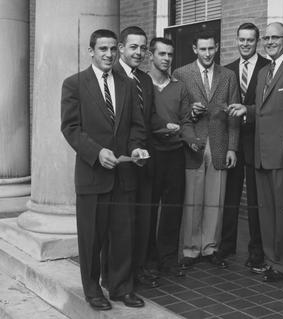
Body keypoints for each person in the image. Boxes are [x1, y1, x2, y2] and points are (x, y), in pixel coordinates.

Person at [61, 29, 148, 310]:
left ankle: (121, 287)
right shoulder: (74, 84)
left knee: (123, 235)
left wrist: (135, 148)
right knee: (92, 238)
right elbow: (71, 128)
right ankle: (92, 290)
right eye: (102, 49)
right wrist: (97, 153)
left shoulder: (126, 84)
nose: (109, 54)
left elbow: (137, 125)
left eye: (112, 49)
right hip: (92, 175)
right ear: (91, 51)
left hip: (123, 175)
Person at [228, 22, 283, 281]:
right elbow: (264, 109)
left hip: (282, 152)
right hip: (260, 154)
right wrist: (247, 110)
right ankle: (270, 259)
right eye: (267, 38)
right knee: (266, 212)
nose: (270, 41)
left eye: (276, 37)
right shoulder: (264, 71)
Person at [113, 26, 179, 288]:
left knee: (142, 218)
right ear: (121, 48)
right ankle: (119, 274)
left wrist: (165, 126)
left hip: (144, 159)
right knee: (121, 222)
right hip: (120, 160)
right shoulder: (112, 75)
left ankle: (138, 268)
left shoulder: (143, 80)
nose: (139, 52)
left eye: (142, 48)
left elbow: (148, 116)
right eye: (133, 47)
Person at [173, 30, 240, 270]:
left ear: (217, 47)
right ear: (195, 49)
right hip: (194, 143)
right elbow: (178, 113)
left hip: (220, 143)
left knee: (216, 198)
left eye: (211, 48)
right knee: (192, 197)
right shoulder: (180, 73)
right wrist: (191, 111)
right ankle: (190, 248)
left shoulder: (228, 75)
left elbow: (234, 115)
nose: (208, 53)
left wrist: (233, 147)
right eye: (203, 49)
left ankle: (210, 247)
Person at [218, 22, 268, 271]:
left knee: (256, 201)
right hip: (233, 143)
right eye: (241, 40)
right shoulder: (226, 71)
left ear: (257, 41)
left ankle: (256, 252)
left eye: (250, 40)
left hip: (258, 142)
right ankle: (226, 248)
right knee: (230, 197)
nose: (245, 44)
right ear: (236, 40)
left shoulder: (268, 68)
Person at [146, 37, 191, 277]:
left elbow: (185, 120)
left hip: (175, 153)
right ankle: (149, 260)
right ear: (151, 55)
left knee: (173, 208)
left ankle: (168, 260)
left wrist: (189, 136)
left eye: (170, 54)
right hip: (151, 153)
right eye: (161, 54)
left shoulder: (179, 86)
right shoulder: (140, 83)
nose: (166, 59)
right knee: (149, 209)